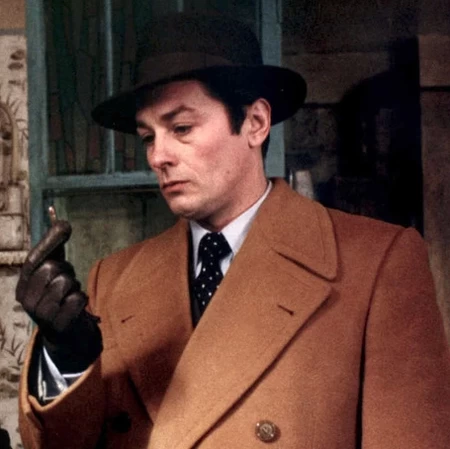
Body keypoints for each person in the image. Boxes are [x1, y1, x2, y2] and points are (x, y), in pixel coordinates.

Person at [16, 12, 450, 449]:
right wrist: (66, 357)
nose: (158, 156)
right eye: (148, 137)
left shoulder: (377, 265)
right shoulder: (111, 281)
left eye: (181, 128)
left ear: (256, 123)